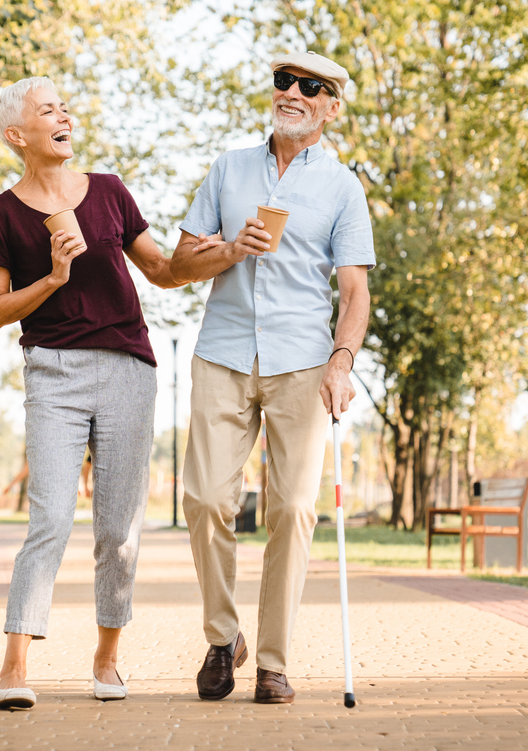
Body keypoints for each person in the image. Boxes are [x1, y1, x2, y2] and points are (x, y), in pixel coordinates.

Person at [0, 77, 218, 709]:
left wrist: (218, 255)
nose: (64, 117)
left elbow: (162, 271)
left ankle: (107, 659)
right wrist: (54, 277)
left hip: (127, 368)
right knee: (51, 518)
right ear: (16, 134)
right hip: (53, 371)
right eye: (47, 110)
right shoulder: (0, 214)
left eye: (65, 108)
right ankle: (13, 665)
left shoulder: (109, 191)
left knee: (119, 529)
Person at [169, 52, 374, 704]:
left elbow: (354, 292)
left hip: (304, 363)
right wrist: (232, 249)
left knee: (292, 508)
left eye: (311, 87)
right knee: (205, 498)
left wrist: (342, 361)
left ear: (331, 107)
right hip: (223, 352)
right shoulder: (228, 168)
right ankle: (223, 636)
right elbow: (179, 263)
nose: (293, 93)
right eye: (284, 82)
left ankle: (273, 662)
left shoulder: (343, 188)